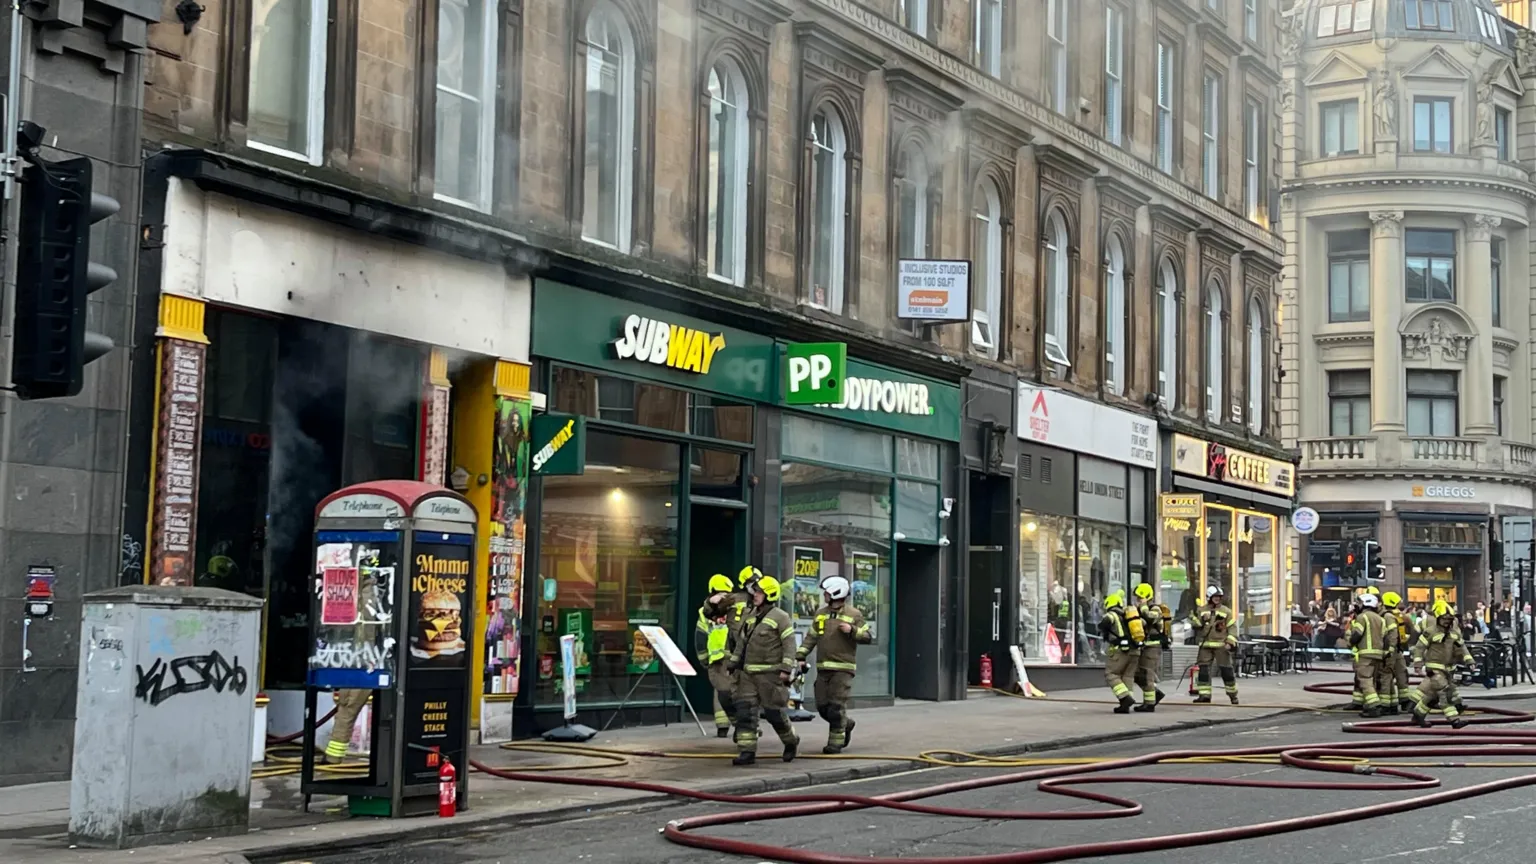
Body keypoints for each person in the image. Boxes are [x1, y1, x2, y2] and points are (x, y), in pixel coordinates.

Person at [727, 574, 799, 766]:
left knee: (774, 714)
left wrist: (786, 669)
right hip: (748, 675)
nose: (755, 595)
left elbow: (789, 645)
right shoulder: (751, 616)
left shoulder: (780, 617)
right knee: (745, 712)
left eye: (759, 592)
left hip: (770, 675)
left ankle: (791, 741)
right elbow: (742, 643)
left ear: (769, 594)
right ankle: (747, 752)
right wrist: (733, 663)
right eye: (755, 591)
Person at [796, 575, 872, 754]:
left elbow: (868, 636)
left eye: (827, 593)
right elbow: (811, 637)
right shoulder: (820, 613)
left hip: (843, 668)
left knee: (836, 705)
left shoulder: (854, 614)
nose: (824, 596)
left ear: (836, 593)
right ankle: (847, 723)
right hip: (823, 668)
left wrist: (852, 630)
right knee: (822, 706)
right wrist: (800, 655)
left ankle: (835, 743)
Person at [1411, 600, 1476, 729]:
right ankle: (1454, 720)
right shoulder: (1430, 632)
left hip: (1448, 670)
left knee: (1432, 695)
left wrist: (1470, 661)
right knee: (1444, 693)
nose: (1447, 621)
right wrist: (1418, 664)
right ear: (1438, 618)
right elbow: (1419, 648)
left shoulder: (1454, 633)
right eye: (1444, 619)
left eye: (1449, 619)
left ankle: (1418, 714)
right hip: (1434, 669)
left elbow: (1462, 648)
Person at [695, 573, 744, 738]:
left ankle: (725, 726)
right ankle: (742, 726)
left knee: (722, 692)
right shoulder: (736, 608)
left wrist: (703, 660)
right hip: (733, 657)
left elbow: (700, 638)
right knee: (736, 691)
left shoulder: (705, 612)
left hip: (718, 658)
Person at [1191, 585, 1238, 704]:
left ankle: (1233, 695)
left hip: (1221, 646)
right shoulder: (1201, 610)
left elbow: (1232, 628)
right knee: (1203, 671)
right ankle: (1204, 695)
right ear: (1209, 597)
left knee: (1226, 671)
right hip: (1205, 646)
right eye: (1215, 597)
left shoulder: (1226, 611)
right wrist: (1198, 619)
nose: (1217, 599)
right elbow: (1196, 626)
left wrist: (1230, 642)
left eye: (1219, 597)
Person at [1099, 592, 1142, 713]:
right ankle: (1126, 705)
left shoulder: (1112, 614)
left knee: (1111, 674)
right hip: (1135, 650)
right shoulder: (1129, 615)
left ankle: (1125, 698)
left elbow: (1103, 624)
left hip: (1121, 650)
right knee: (1127, 676)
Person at [1131, 583, 1170, 712]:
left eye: (1139, 597)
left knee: (1147, 674)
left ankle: (1149, 703)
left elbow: (1150, 618)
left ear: (1146, 597)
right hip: (1143, 647)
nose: (1137, 600)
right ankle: (1155, 694)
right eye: (1137, 598)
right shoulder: (1140, 609)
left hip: (1152, 647)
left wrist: (1142, 607)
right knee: (1137, 674)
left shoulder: (1155, 609)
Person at [1348, 592, 1388, 717]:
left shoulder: (1362, 617)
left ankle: (1374, 706)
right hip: (1378, 654)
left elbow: (1357, 634)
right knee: (1372, 680)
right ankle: (1369, 704)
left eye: (1360, 603)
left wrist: (1351, 642)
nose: (1358, 606)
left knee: (1365, 680)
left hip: (1365, 654)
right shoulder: (1380, 619)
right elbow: (1385, 637)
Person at [1381, 591, 1417, 713]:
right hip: (1399, 650)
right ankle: (1405, 701)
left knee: (1386, 675)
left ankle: (1386, 705)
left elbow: (1389, 634)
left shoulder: (1386, 616)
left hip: (1390, 650)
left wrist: (1389, 649)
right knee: (1402, 674)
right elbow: (1413, 630)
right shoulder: (1402, 616)